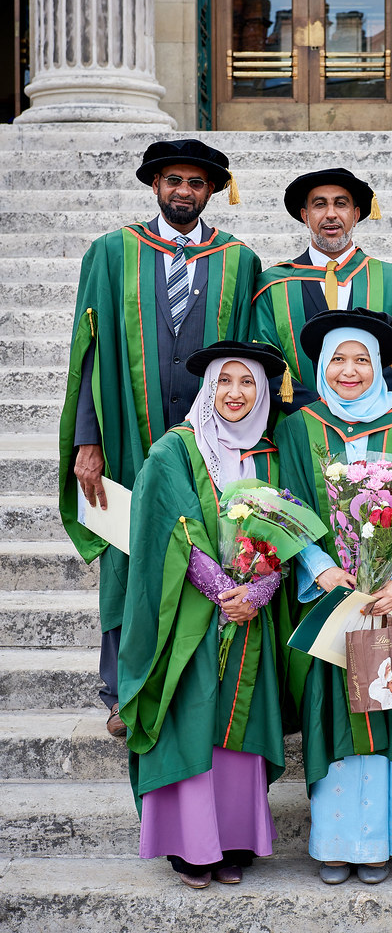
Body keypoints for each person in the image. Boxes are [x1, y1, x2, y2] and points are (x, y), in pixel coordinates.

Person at [58, 139, 260, 736]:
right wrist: (88, 440)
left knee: (204, 548)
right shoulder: (111, 252)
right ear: (155, 186)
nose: (183, 191)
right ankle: (121, 689)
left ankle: (193, 681)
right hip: (127, 432)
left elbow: (246, 359)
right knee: (127, 553)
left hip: (207, 440)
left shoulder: (238, 260)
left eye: (196, 182)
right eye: (173, 180)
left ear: (212, 190)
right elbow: (88, 352)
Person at [275, 307, 392, 885]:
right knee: (333, 710)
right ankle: (336, 841)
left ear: (379, 366)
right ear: (321, 367)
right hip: (332, 598)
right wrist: (321, 568)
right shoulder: (300, 428)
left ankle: (385, 841)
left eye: (360, 360)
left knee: (391, 706)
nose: (348, 371)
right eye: (337, 360)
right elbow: (290, 505)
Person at [117, 340, 287, 889]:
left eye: (248, 383)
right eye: (224, 381)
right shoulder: (176, 449)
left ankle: (232, 839)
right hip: (191, 615)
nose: (235, 393)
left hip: (248, 617)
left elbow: (289, 530)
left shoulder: (270, 452)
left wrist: (261, 589)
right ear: (208, 387)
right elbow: (172, 527)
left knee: (237, 725)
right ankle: (192, 845)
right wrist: (223, 590)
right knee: (192, 718)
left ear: (262, 392)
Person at [251, 168, 392, 413]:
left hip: (377, 419)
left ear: (356, 215)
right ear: (305, 216)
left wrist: (363, 408)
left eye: (341, 204)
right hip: (301, 421)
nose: (331, 214)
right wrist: (317, 414)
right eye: (320, 204)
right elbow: (266, 357)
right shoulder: (274, 284)